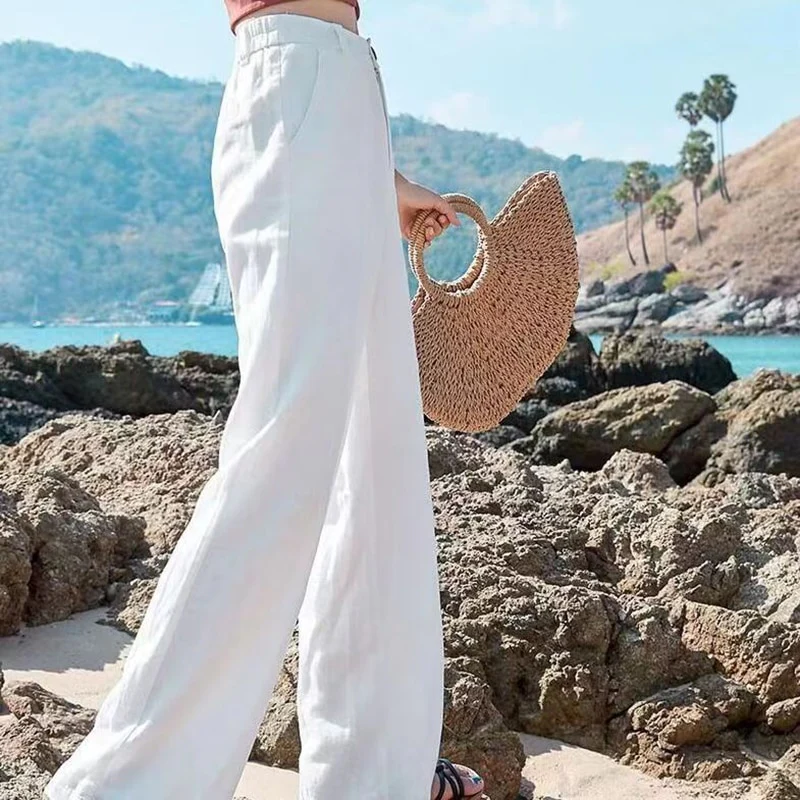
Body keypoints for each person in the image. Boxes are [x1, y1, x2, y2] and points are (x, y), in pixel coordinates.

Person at [44, 1, 487, 798]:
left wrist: (378, 174)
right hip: (300, 79)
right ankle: (130, 784)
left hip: (338, 94)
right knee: (283, 455)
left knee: (374, 462)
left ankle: (377, 774)